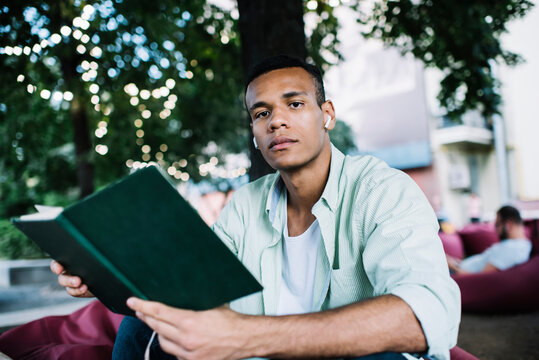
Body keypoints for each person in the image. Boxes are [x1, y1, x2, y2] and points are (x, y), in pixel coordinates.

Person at [52, 55, 460, 360]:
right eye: (261, 113)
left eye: (295, 104)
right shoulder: (245, 205)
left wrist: (247, 335)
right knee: (142, 329)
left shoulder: (383, 190)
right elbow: (190, 292)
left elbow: (428, 313)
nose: (276, 122)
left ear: (327, 114)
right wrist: (105, 277)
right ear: (253, 132)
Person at [447, 205, 532, 275]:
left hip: (457, 276)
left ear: (507, 225)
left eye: (497, 224)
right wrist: (453, 263)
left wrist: (451, 266)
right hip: (459, 268)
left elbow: (481, 278)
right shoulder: (519, 245)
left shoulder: (513, 249)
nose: (495, 229)